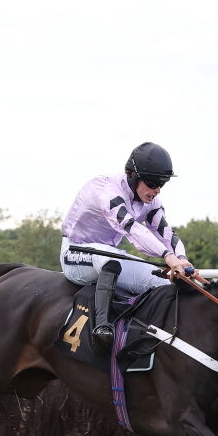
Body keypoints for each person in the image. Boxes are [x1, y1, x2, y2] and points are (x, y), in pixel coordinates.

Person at [61, 141, 204, 351]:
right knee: (110, 258)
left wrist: (181, 259)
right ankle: (102, 327)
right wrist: (167, 256)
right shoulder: (107, 190)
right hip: (75, 254)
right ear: (133, 175)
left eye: (162, 184)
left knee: (165, 281)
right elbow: (131, 228)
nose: (157, 190)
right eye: (153, 183)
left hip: (109, 258)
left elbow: (165, 232)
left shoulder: (150, 200)